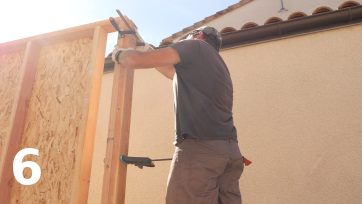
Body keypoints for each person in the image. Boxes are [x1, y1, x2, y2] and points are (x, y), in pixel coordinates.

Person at [112, 26, 244, 204]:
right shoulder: (215, 65)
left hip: (201, 151)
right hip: (229, 153)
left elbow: (135, 61)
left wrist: (119, 55)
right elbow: (169, 71)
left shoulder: (195, 45)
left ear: (199, 34)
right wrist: (147, 49)